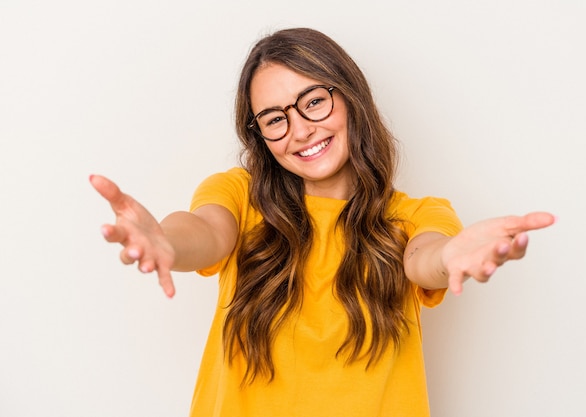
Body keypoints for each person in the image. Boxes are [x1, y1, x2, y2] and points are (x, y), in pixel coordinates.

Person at [90, 28, 555, 417]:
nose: (300, 129)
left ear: (350, 96)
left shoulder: (415, 216)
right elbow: (206, 231)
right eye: (274, 119)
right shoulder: (240, 195)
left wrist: (449, 255)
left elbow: (425, 258)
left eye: (313, 101)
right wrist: (166, 241)